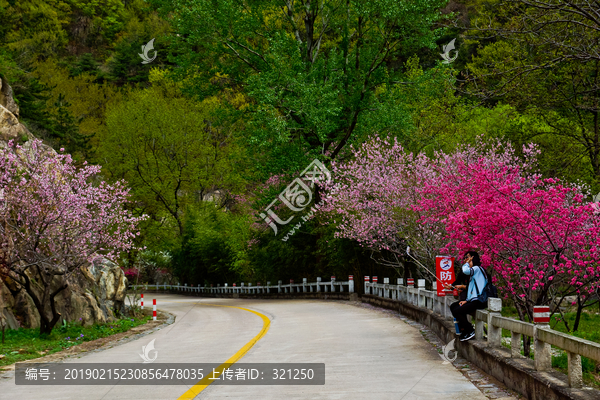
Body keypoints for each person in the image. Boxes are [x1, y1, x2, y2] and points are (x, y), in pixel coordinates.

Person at [444, 251, 487, 341]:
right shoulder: (473, 273)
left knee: (458, 311)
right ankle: (464, 330)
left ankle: (470, 330)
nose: (465, 260)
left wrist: (467, 264)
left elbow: (466, 271)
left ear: (473, 258)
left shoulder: (477, 269)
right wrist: (466, 300)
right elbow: (471, 290)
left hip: (479, 301)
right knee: (454, 306)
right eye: (465, 258)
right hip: (473, 300)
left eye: (468, 258)